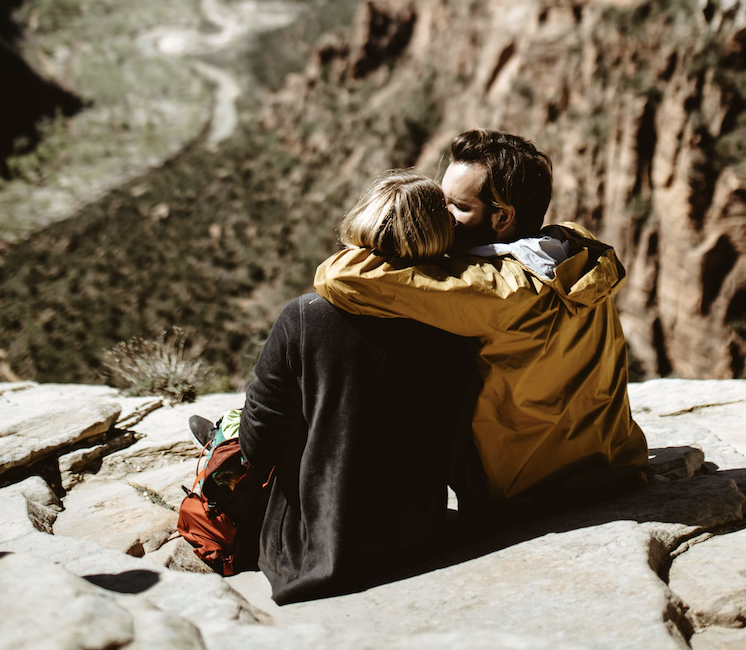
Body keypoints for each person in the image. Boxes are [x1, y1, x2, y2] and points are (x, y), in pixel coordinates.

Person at [314, 129, 649, 509]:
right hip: (612, 463)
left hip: (523, 491)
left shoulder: (494, 289)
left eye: (456, 206)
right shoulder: (574, 245)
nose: (442, 214)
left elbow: (339, 276)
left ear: (502, 217)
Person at [237, 171, 480, 604]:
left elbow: (259, 442)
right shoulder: (459, 321)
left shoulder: (306, 316)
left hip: (315, 547)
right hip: (415, 534)